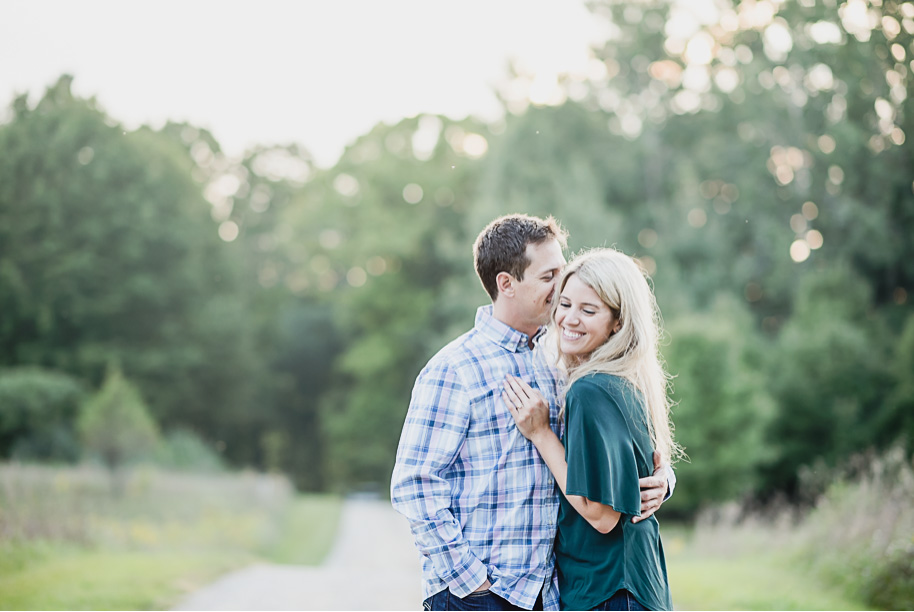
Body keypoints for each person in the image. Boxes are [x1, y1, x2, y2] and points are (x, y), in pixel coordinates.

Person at [391, 215, 674, 611]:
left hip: (549, 594)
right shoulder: (455, 368)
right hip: (481, 595)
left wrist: (661, 479)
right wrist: (473, 582)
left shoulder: (564, 361)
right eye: (549, 276)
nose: (562, 286)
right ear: (506, 283)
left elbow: (608, 449)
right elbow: (414, 485)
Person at [502, 248, 681, 611]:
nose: (569, 319)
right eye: (564, 304)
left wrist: (541, 434)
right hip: (630, 586)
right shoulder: (623, 380)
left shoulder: (591, 389)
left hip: (610, 590)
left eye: (588, 310)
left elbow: (601, 516)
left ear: (617, 322)